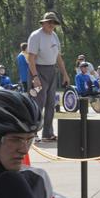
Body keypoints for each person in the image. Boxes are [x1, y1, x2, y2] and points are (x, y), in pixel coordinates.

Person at [24, 12, 71, 142]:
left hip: (51, 71)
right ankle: (33, 132)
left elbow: (58, 57)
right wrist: (35, 77)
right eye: (49, 22)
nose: (51, 25)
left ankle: (48, 133)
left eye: (54, 23)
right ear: (43, 22)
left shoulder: (54, 36)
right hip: (38, 70)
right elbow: (31, 58)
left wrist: (65, 74)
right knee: (37, 103)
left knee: (51, 103)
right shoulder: (36, 36)